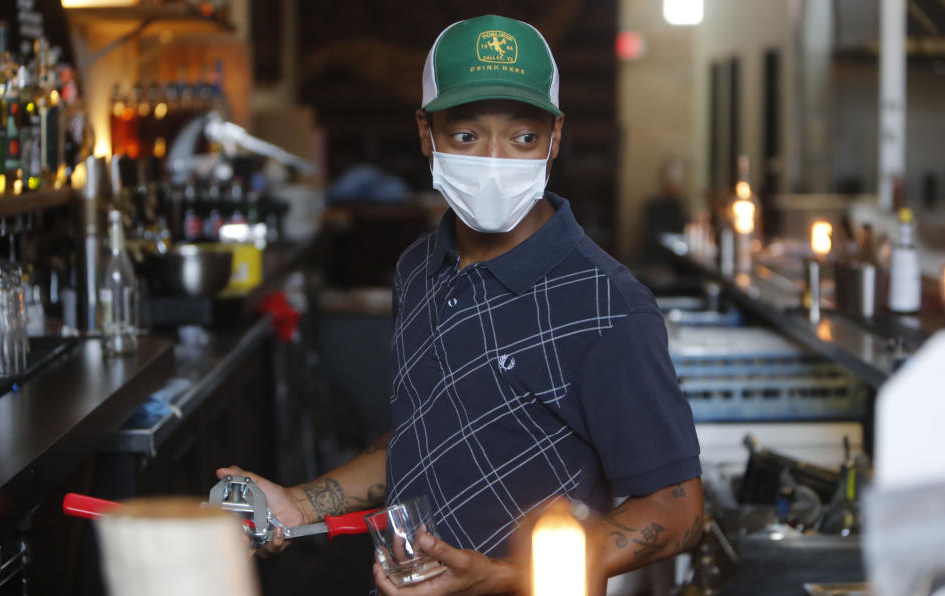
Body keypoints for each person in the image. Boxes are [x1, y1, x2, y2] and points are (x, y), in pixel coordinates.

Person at [218, 14, 703, 595]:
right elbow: (426, 434)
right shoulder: (418, 270)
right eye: (467, 136)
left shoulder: (608, 306)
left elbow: (678, 509)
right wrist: (298, 504)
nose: (496, 161)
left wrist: (506, 578)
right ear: (426, 133)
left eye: (522, 137)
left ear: (555, 136)